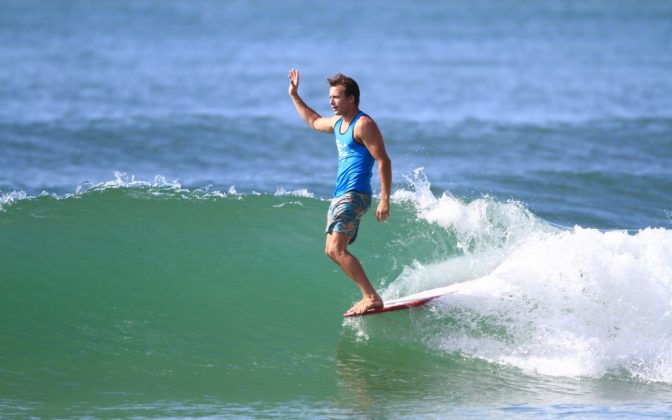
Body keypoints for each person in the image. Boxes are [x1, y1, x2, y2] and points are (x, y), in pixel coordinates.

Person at [287, 68, 392, 316]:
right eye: (330, 97)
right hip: (341, 194)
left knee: (336, 249)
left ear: (351, 99)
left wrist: (384, 198)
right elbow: (313, 121)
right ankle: (369, 295)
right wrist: (294, 95)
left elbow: (383, 160)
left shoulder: (363, 124)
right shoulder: (338, 124)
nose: (330, 101)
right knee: (331, 250)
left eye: (336, 97)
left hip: (354, 194)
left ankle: (371, 297)